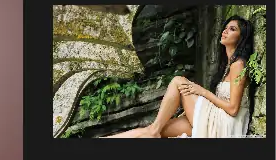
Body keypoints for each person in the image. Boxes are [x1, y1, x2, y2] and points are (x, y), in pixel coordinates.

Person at [107, 15, 254, 138]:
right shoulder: (227, 65)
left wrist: (203, 92)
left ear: (241, 38)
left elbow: (233, 109)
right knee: (158, 130)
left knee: (178, 81)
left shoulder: (238, 65)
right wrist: (191, 106)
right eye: (225, 27)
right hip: (216, 119)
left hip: (225, 125)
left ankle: (153, 130)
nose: (225, 31)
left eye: (232, 29)